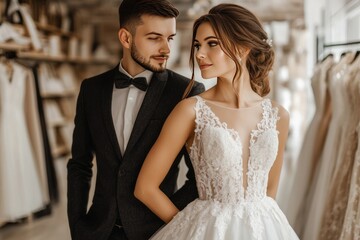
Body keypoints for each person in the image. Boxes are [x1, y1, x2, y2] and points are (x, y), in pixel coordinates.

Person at [134, 3, 299, 240]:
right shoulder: (191, 111)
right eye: (197, 45)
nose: (200, 54)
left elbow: (269, 191)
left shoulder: (278, 115)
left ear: (243, 48)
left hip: (267, 229)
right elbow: (145, 188)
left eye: (212, 44)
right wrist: (190, 228)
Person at [67, 0, 205, 239]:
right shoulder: (91, 89)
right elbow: (80, 165)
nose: (166, 49)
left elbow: (198, 177)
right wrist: (77, 225)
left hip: (157, 232)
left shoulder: (185, 92)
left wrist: (173, 223)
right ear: (126, 38)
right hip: (98, 231)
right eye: (154, 38)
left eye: (169, 38)